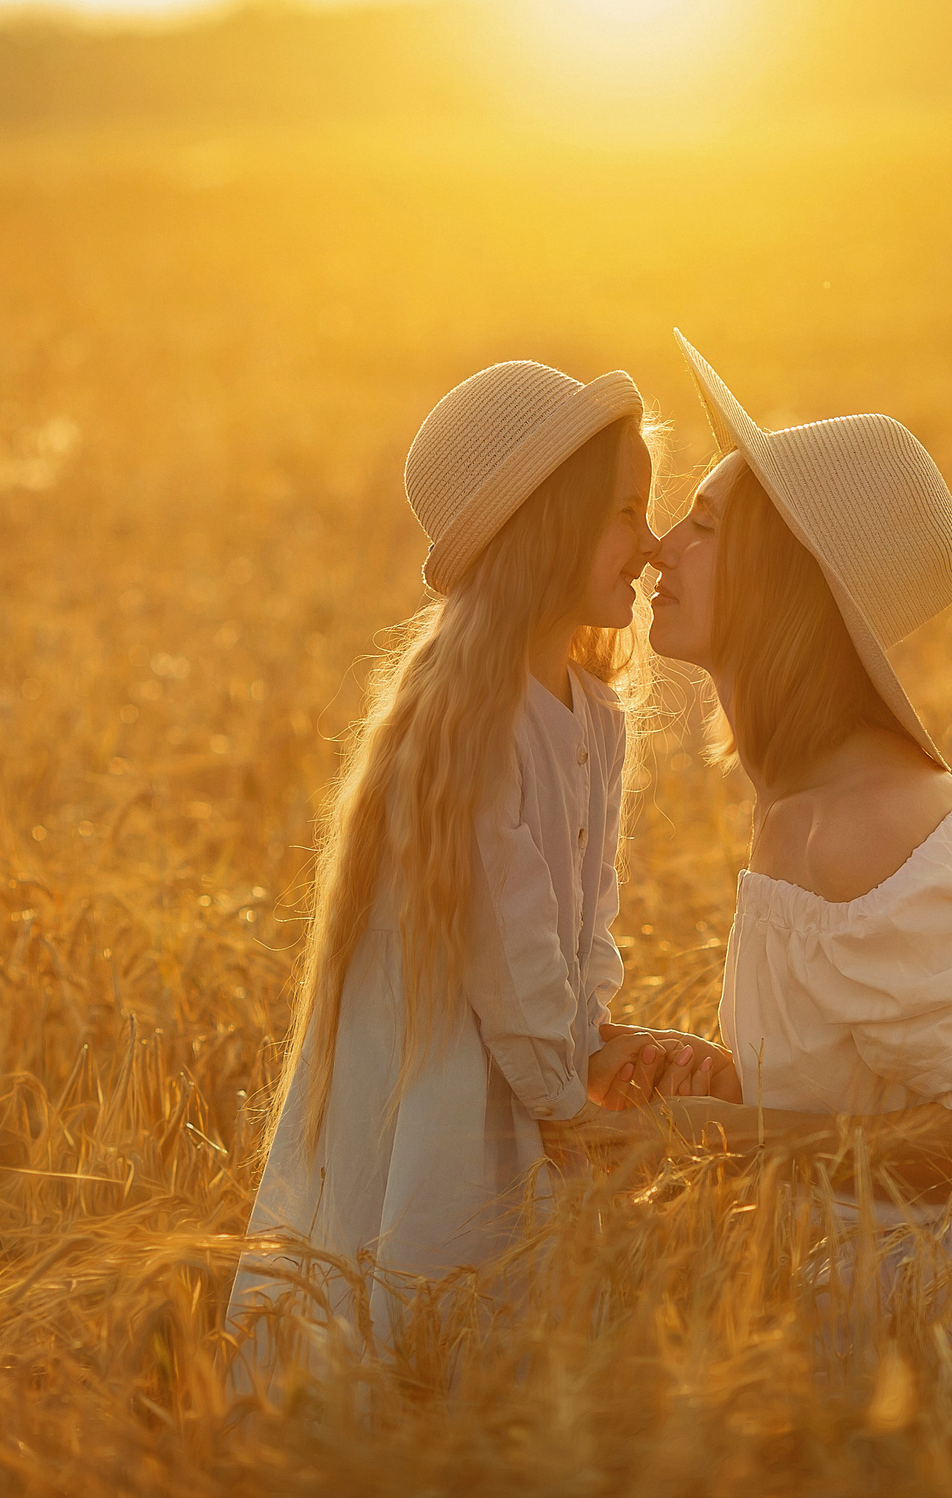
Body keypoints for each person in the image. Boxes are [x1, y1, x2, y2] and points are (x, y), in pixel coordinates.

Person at [560, 332, 952, 1312]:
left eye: (702, 525)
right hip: (879, 1283)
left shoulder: (861, 823)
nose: (658, 547)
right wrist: (727, 1087)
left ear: (784, 579)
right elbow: (886, 1094)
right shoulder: (805, 801)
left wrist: (724, 1137)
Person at [224, 360, 724, 1361]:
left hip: (531, 1066)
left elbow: (582, 927)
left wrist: (593, 1044)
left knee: (510, 1334)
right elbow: (507, 953)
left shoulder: (594, 710)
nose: (655, 543)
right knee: (426, 1304)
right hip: (456, 1082)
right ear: (544, 531)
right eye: (627, 513)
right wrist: (564, 1101)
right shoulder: (476, 721)